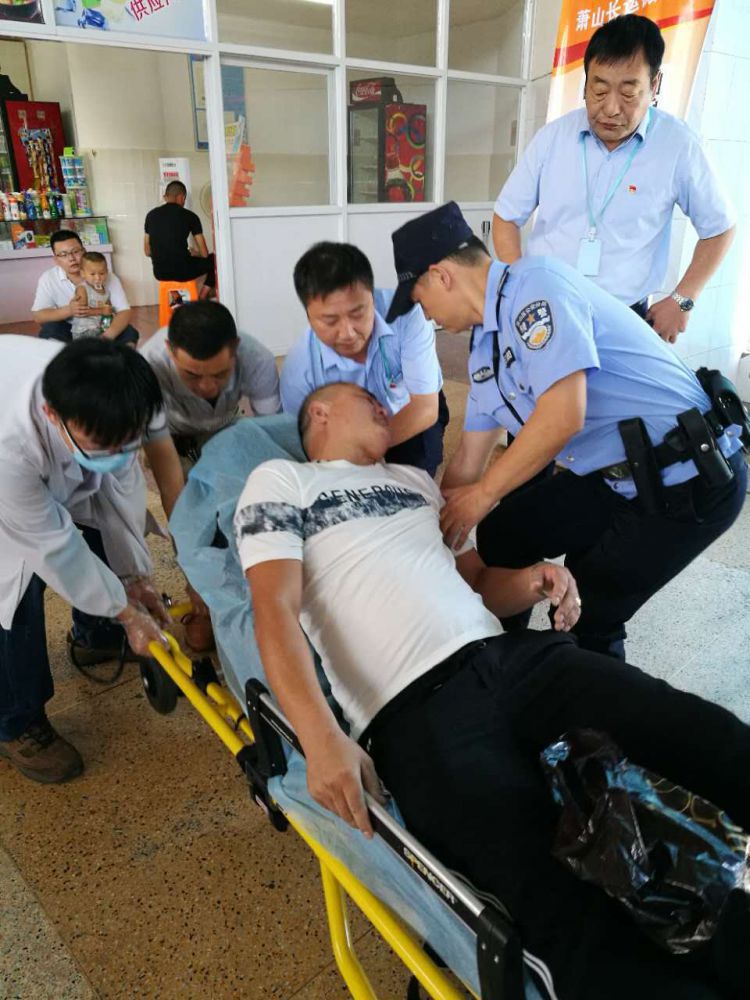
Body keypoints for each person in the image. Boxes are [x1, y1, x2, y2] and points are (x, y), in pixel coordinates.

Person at [237, 381, 750, 1000]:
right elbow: (274, 608)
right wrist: (321, 738)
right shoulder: (281, 481)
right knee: (539, 889)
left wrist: (533, 581)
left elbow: (476, 582)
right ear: (319, 412)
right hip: (414, 714)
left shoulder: (416, 483)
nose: (382, 405)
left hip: (515, 659)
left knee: (689, 728)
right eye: (364, 399)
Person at [386, 201, 746, 659]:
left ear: (441, 276)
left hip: (690, 478)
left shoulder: (536, 288)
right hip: (621, 475)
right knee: (504, 534)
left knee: (588, 608)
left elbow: (563, 416)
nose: (425, 315)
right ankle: (503, 656)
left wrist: (481, 496)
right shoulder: (484, 349)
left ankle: (592, 698)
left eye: (419, 300)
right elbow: (468, 461)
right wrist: (433, 527)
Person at [492, 14, 735, 343]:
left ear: (655, 85)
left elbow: (720, 228)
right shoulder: (553, 139)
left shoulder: (678, 146)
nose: (610, 108)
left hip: (626, 317)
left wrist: (683, 299)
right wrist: (520, 282)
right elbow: (506, 216)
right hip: (546, 308)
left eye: (628, 93)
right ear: (586, 83)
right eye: (599, 90)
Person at [0, 337, 171, 785]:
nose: (119, 453)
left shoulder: (124, 397)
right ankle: (16, 719)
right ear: (52, 414)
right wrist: (127, 612)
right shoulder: (10, 447)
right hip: (7, 486)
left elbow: (120, 495)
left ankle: (96, 633)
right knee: (15, 584)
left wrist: (134, 577)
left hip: (44, 455)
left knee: (98, 511)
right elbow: (52, 547)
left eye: (127, 443)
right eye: (103, 444)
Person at [281, 241, 448, 476]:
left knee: (416, 471)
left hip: (408, 408)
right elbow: (305, 445)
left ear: (373, 298)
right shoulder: (299, 371)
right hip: (349, 432)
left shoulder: (406, 313)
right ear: (309, 317)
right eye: (330, 321)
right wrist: (348, 458)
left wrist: (367, 451)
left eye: (357, 313)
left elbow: (425, 407)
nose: (348, 333)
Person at [140, 300, 281, 472]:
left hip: (224, 421)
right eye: (192, 375)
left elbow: (271, 428)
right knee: (182, 475)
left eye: (220, 374)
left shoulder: (258, 359)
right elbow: (155, 439)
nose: (207, 387)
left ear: (235, 349)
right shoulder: (147, 364)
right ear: (170, 350)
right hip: (170, 430)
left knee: (241, 467)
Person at [31, 230, 139, 346]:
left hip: (102, 326)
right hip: (70, 328)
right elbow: (38, 316)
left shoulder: (106, 276)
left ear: (84, 251)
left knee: (128, 332)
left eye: (75, 251)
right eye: (63, 254)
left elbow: (124, 311)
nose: (71, 258)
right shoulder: (49, 278)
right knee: (49, 329)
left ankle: (121, 357)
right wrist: (69, 310)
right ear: (56, 260)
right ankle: (65, 356)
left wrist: (106, 337)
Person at [144, 180, 216, 298]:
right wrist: (196, 253)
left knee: (166, 263)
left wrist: (163, 255)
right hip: (183, 272)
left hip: (159, 273)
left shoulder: (151, 215)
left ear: (166, 197)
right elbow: (204, 253)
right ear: (181, 197)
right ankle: (201, 297)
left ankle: (176, 298)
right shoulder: (191, 216)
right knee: (215, 260)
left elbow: (147, 252)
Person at [70, 251, 115, 340]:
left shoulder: (106, 291)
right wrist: (102, 311)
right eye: (92, 274)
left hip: (99, 327)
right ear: (82, 273)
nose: (98, 278)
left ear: (107, 272)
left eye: (102, 273)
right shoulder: (83, 288)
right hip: (84, 330)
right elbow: (81, 311)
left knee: (111, 335)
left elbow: (107, 312)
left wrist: (109, 316)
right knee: (95, 341)